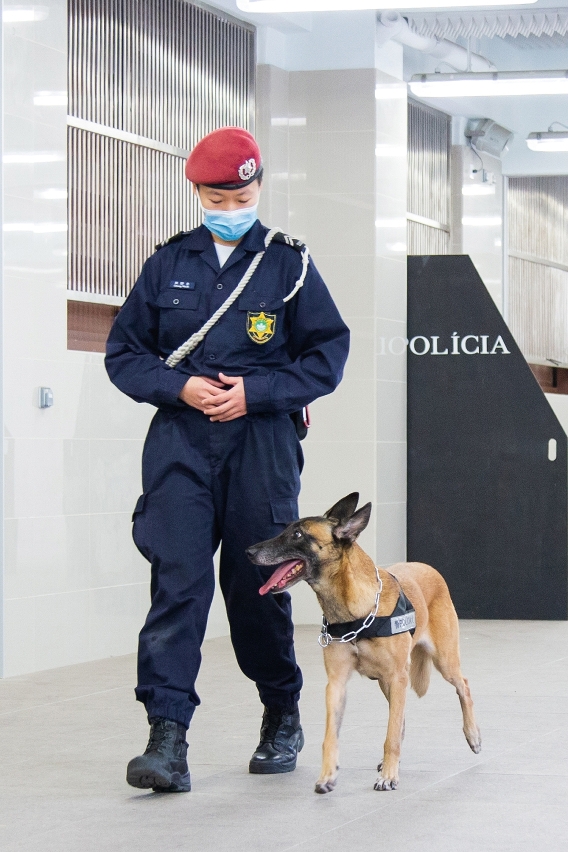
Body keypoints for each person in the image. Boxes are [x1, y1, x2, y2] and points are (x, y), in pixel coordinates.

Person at [105, 126, 350, 793]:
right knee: (178, 585)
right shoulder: (167, 263)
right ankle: (166, 737)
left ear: (259, 185)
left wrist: (257, 393)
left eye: (241, 196)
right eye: (216, 197)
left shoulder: (288, 265)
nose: (229, 207)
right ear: (196, 192)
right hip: (181, 444)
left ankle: (281, 712)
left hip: (261, 446)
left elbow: (327, 355)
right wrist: (179, 386)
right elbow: (124, 354)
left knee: (256, 588)